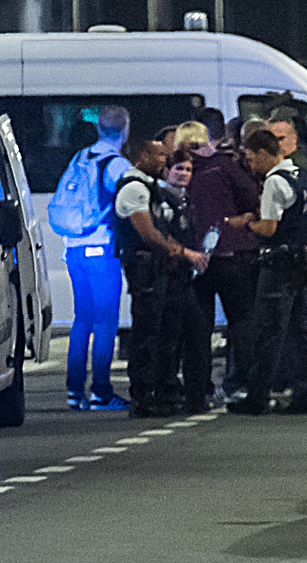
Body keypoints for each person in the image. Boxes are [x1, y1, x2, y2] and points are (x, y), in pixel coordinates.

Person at [113, 138, 209, 417]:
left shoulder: (151, 189)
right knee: (146, 335)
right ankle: (143, 397)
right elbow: (149, 234)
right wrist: (185, 253)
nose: (164, 161)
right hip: (145, 271)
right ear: (142, 156)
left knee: (166, 332)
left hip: (160, 272)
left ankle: (165, 390)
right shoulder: (133, 188)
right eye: (159, 155)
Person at [226, 130, 307, 415]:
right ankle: (306, 393)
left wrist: (247, 224)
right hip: (301, 261)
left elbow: (269, 228)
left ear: (265, 153)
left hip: (278, 264)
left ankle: (257, 396)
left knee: (268, 331)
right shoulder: (304, 178)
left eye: (253, 158)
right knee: (301, 330)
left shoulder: (275, 181)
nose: (252, 165)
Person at [183, 111, 262, 404]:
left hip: (197, 255)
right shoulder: (225, 164)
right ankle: (239, 383)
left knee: (198, 326)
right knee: (241, 320)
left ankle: (199, 388)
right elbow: (251, 194)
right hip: (231, 251)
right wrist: (243, 219)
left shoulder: (182, 168)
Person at [62, 106, 132, 411]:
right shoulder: (116, 164)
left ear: (99, 127)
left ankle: (74, 390)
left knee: (82, 320)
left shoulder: (80, 157)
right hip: (101, 249)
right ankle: (101, 390)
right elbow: (128, 205)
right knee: (105, 322)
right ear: (125, 129)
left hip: (74, 249)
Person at [157, 148, 213, 414]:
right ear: (167, 170)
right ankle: (168, 394)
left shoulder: (187, 200)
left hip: (185, 277)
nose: (184, 175)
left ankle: (194, 394)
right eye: (178, 168)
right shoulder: (160, 198)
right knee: (171, 338)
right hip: (167, 276)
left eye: (189, 170)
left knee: (196, 335)